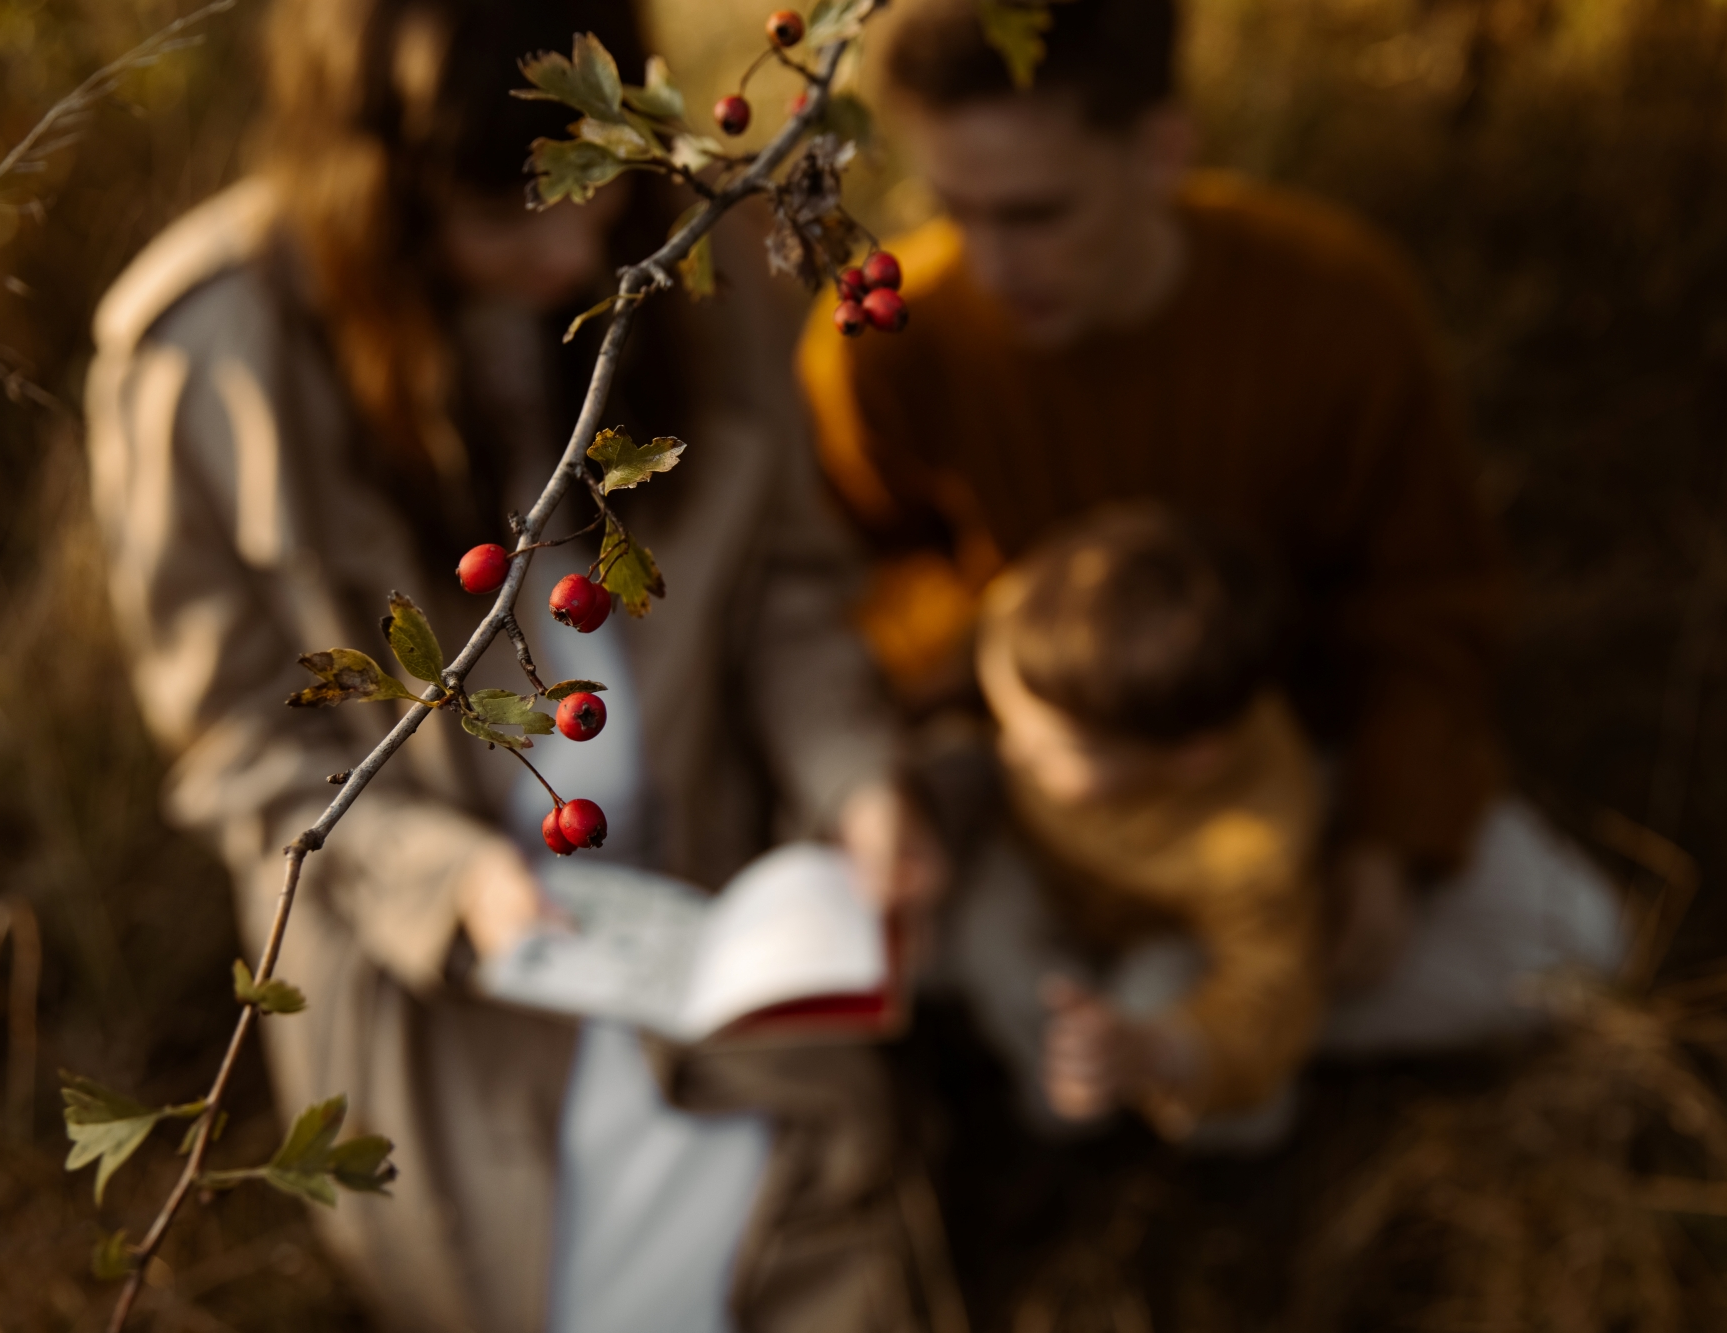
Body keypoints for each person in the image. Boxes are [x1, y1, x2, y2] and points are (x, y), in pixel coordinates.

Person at [87, 1, 936, 1329]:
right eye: (511, 209)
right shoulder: (211, 355)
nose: (577, 244)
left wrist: (857, 787)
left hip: (708, 896)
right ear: (380, 181)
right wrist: (453, 883)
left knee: (811, 1242)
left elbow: (792, 600)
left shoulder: (697, 265)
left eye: (597, 187)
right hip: (450, 975)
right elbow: (243, 744)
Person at [799, 0, 1508, 982]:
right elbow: (846, 579)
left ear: (1159, 151)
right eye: (955, 210)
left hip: (1276, 765)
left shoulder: (1337, 308)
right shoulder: (888, 336)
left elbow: (1426, 604)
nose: (992, 264)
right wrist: (1004, 657)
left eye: (1035, 214)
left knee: (1556, 942)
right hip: (1031, 771)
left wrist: (1388, 843)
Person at [957, 505, 1622, 1147]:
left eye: (1052, 750)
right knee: (984, 939)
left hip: (1176, 942)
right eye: (1005, 711)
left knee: (1162, 1010)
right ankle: (1052, 1092)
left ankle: (1127, 1104)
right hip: (1047, 873)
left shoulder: (1252, 845)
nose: (1012, 749)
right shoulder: (1038, 628)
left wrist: (1157, 1050)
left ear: (1192, 760)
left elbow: (1263, 995)